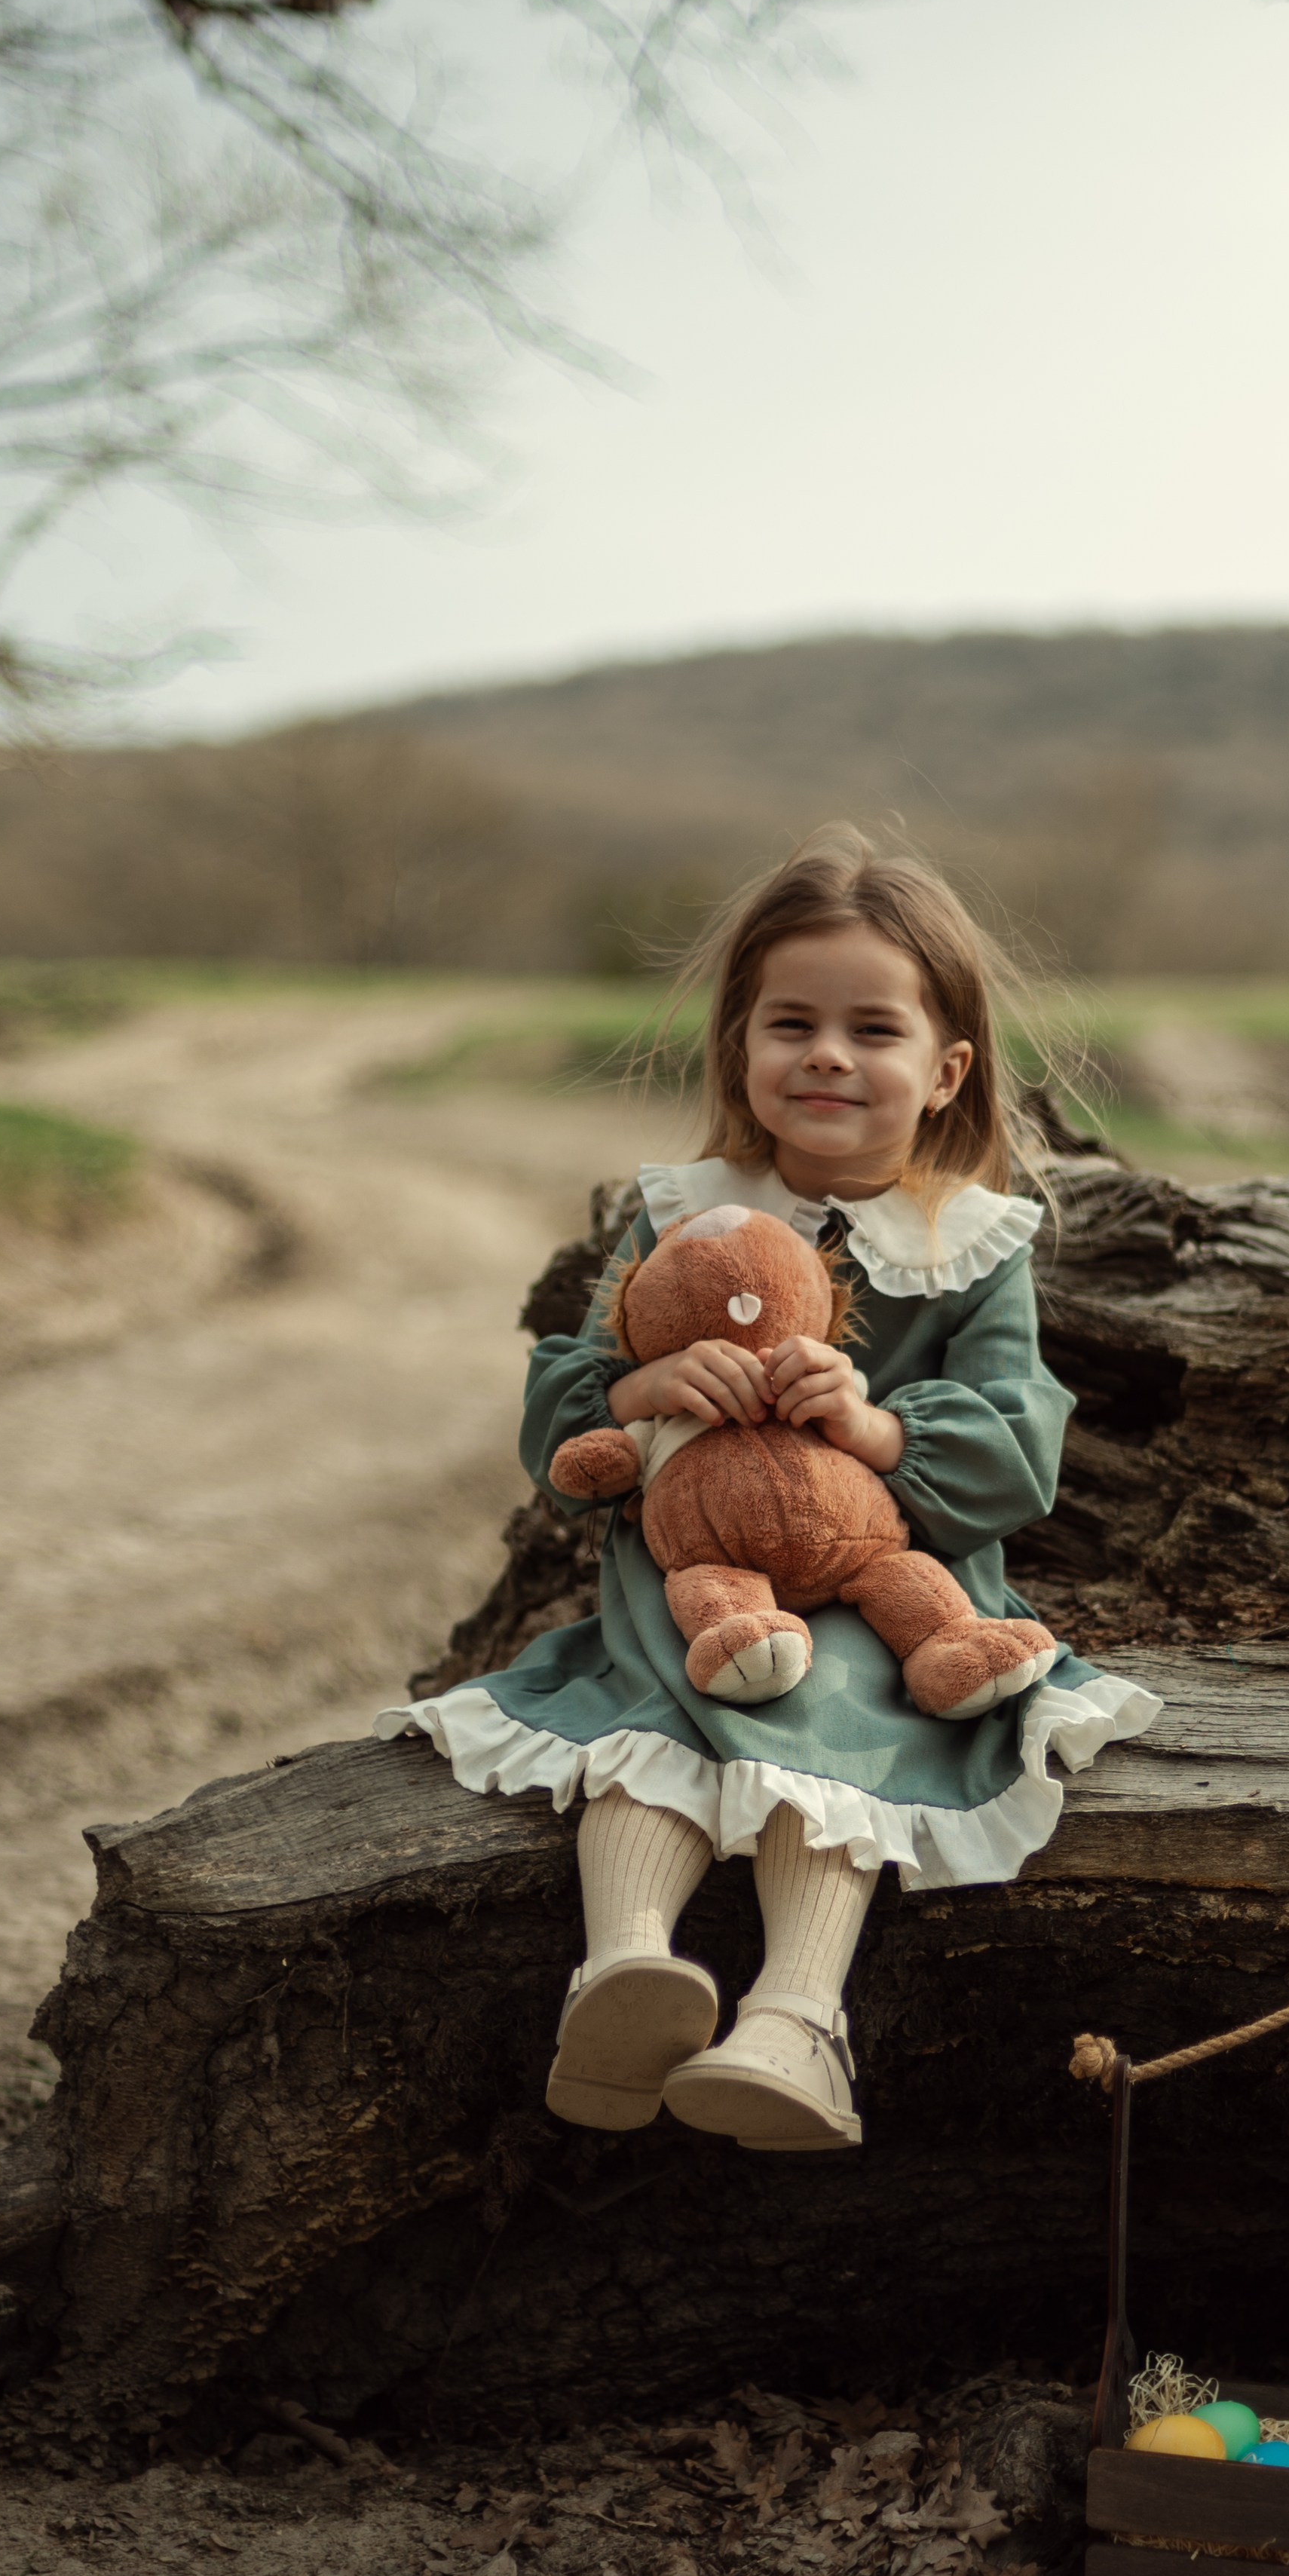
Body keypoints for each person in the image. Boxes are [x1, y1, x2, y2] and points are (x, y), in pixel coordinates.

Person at [377, 828, 1159, 2152]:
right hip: (696, 1572)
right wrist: (649, 1384)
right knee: (660, 1707)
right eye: (790, 1022)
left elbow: (1022, 1448)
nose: (829, 1055)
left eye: (873, 1029)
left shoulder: (965, 1239)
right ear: (742, 1044)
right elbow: (565, 1393)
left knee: (846, 1707)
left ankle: (796, 2021)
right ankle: (623, 1971)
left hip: (888, 1572)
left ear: (944, 1067)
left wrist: (871, 1422)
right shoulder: (689, 1215)